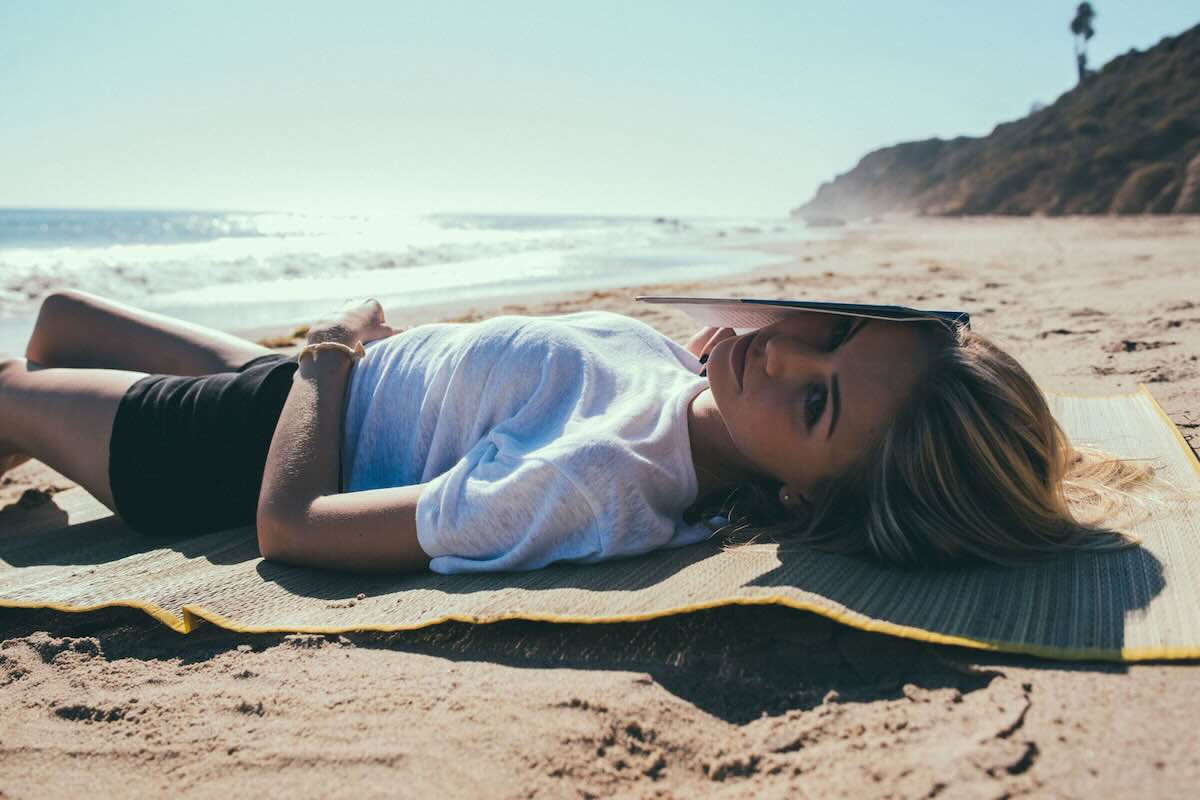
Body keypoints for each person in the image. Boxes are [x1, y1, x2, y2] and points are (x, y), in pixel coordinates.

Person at [0, 290, 1148, 575]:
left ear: (805, 499)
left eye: (817, 401)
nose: (786, 355)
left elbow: (289, 526)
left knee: (10, 385)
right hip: (335, 381)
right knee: (61, 319)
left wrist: (331, 357)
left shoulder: (600, 480)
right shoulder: (697, 375)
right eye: (835, 333)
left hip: (240, 443)